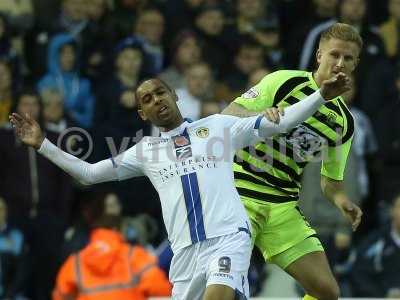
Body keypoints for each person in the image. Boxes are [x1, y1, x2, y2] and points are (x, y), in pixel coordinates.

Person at [10, 74, 350, 299]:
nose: (157, 100)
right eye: (147, 99)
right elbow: (88, 173)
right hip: (185, 252)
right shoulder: (145, 152)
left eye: (161, 92)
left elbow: (283, 122)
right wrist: (43, 144)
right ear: (142, 113)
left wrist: (321, 94)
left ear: (174, 96)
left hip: (228, 237)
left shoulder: (218, 128)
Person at [222, 23, 363, 300]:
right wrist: (261, 115)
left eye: (347, 58)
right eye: (334, 55)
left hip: (282, 207)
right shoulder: (285, 81)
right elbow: (227, 114)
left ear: (355, 64)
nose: (339, 63)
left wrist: (342, 201)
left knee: (326, 291)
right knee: (222, 288)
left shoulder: (344, 122)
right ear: (319, 55)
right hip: (239, 197)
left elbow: (330, 181)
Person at [53, 195, 172, 300]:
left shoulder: (75, 263)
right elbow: (162, 290)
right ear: (117, 228)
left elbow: (60, 295)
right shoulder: (134, 256)